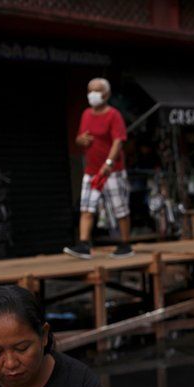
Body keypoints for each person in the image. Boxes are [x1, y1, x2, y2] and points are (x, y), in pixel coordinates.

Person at [65, 78, 132, 259]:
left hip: (112, 171)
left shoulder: (113, 115)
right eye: (90, 90)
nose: (92, 94)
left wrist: (108, 163)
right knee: (87, 207)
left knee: (120, 208)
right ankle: (84, 244)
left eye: (97, 90)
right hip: (92, 170)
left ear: (106, 94)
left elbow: (119, 140)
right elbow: (80, 138)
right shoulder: (86, 114)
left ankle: (125, 244)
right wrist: (81, 140)